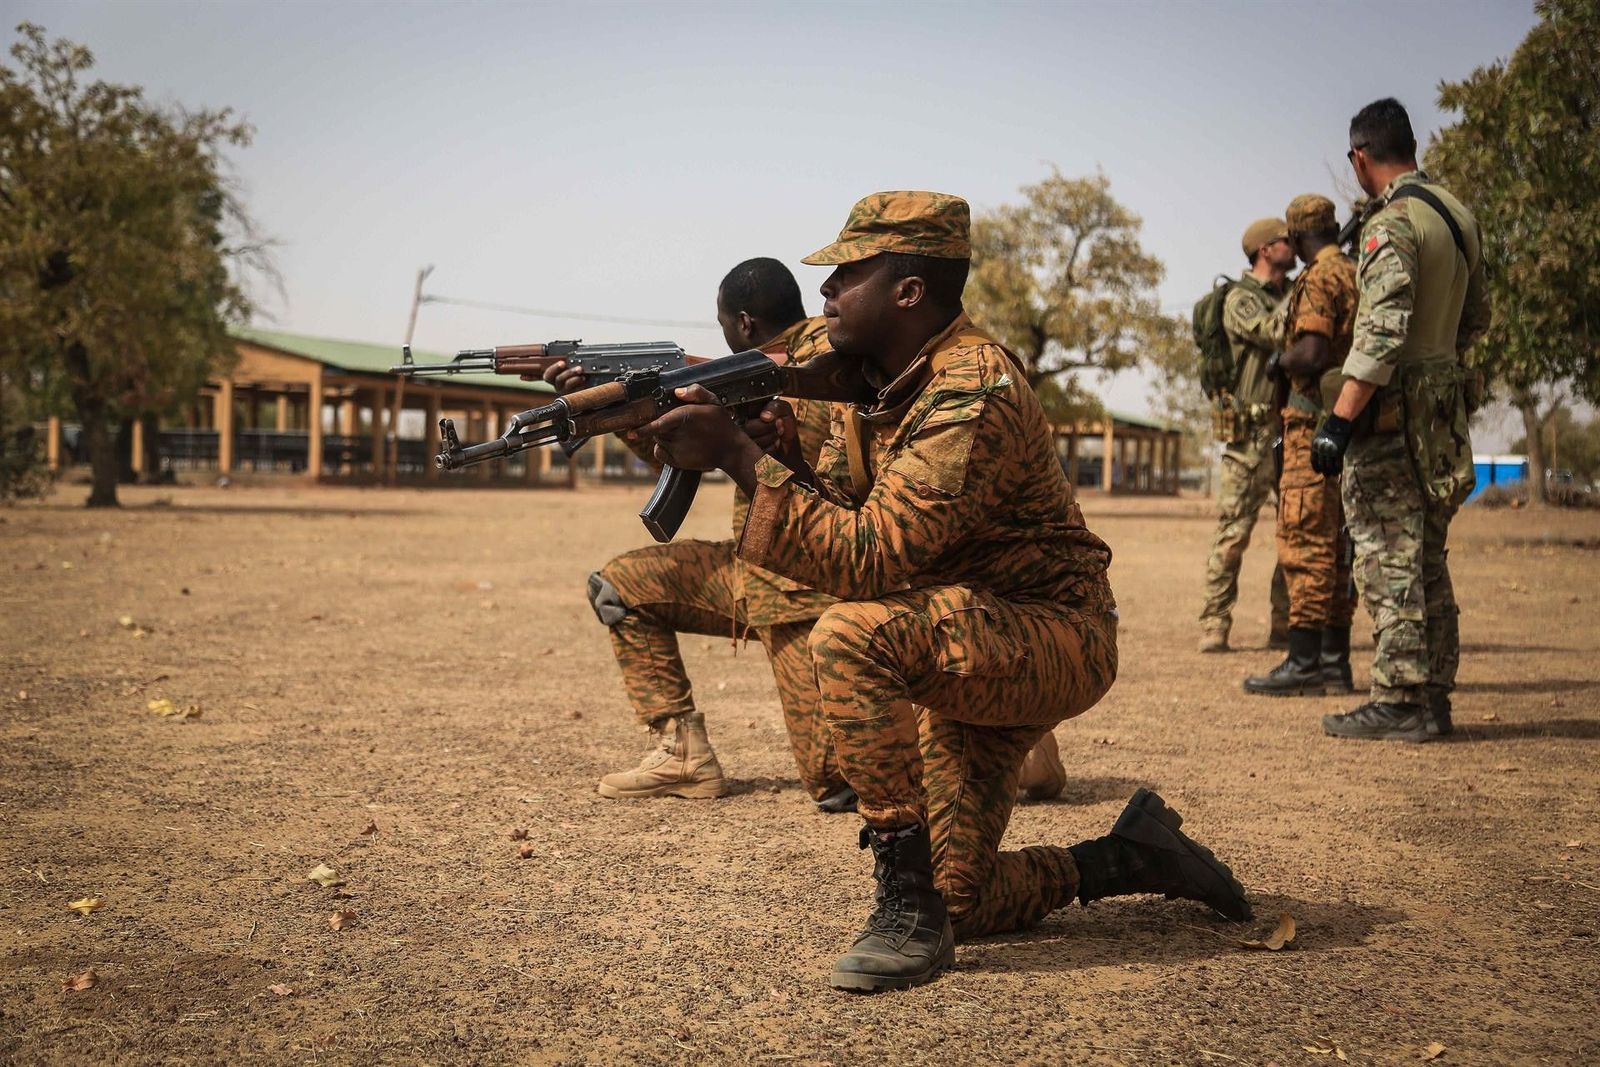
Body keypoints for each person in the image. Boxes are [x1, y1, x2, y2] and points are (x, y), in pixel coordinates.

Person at [642, 192, 1250, 992]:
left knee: (851, 632)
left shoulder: (973, 387)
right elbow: (861, 508)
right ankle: (1130, 854)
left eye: (846, 275)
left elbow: (870, 556)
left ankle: (904, 904)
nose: (823, 294)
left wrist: (742, 461)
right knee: (965, 894)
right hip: (962, 633)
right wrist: (773, 448)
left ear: (909, 290)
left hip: (1051, 633)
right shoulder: (881, 380)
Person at [563, 257, 1071, 806]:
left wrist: (735, 438)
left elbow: (845, 506)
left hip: (812, 586)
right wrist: (625, 415)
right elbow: (685, 460)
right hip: (754, 569)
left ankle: (1008, 739)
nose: (831, 290)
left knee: (836, 781)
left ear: (743, 323)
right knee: (622, 587)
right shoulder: (767, 369)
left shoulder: (827, 363)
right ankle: (681, 752)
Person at [1311, 98, 1490, 741]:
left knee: (1388, 556)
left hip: (1391, 419)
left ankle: (1398, 698)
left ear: (1361, 157)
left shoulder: (1393, 224)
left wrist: (1337, 422)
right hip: (1443, 415)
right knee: (1429, 559)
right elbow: (1476, 320)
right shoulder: (1458, 215)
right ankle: (1434, 698)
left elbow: (1381, 334)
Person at [1244, 194, 1358, 697]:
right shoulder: (1355, 272)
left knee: (1304, 543)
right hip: (1345, 428)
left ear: (1294, 237)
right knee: (1336, 550)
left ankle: (1304, 661)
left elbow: (1311, 354)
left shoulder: (1317, 280)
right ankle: (1334, 664)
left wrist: (1278, 364)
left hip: (1310, 431)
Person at [1199, 219, 1293, 653]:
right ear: (1264, 249)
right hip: (1249, 439)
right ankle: (1215, 624)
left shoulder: (1289, 293)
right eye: (1286, 241)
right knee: (1233, 533)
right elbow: (1275, 333)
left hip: (1290, 433)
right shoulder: (1241, 299)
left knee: (1295, 534)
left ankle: (1286, 625)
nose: (1294, 247)